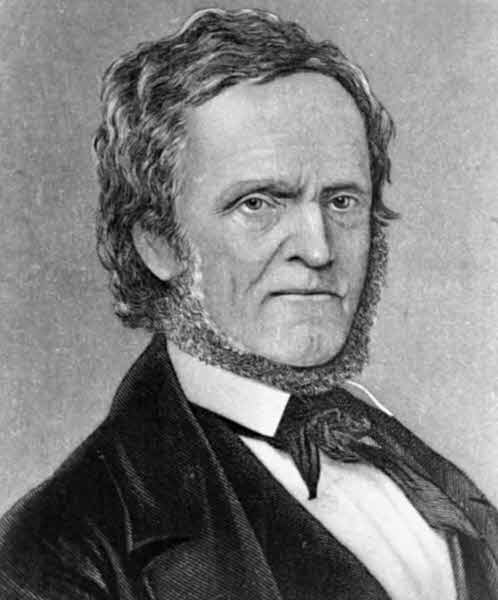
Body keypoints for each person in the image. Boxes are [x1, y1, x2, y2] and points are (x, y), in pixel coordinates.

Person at [0, 8, 496, 600]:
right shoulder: (57, 550)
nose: (318, 250)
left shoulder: (409, 462)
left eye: (341, 201)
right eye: (258, 204)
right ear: (158, 243)